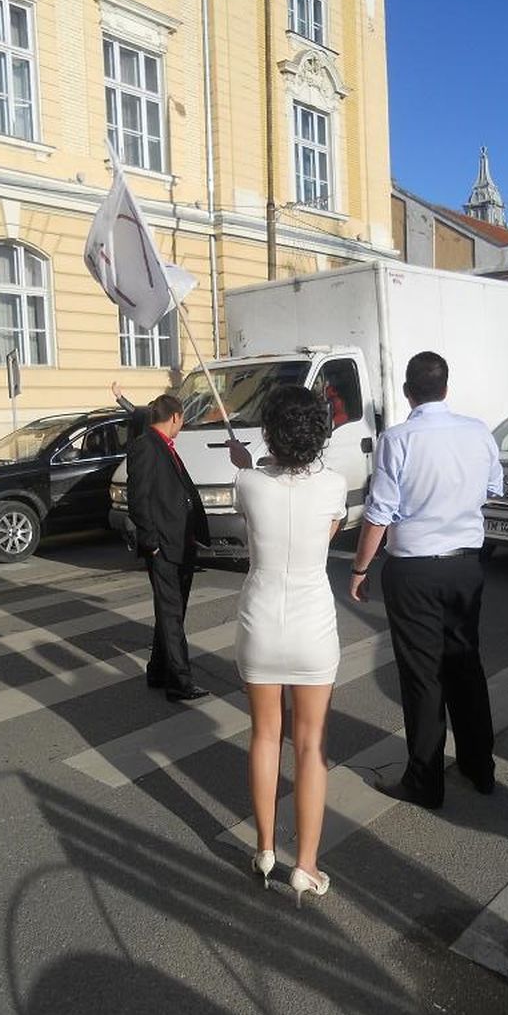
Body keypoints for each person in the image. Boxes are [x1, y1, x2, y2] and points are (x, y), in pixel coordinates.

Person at [348, 351, 503, 809]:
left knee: (423, 676)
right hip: (464, 566)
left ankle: (425, 781)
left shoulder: (398, 439)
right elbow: (493, 489)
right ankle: (479, 767)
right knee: (465, 665)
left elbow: (380, 512)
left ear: (407, 392)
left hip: (414, 569)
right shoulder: (478, 432)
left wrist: (359, 568)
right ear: (446, 388)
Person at [229, 386, 347, 906]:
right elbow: (324, 532)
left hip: (260, 622)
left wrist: (247, 463)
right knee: (310, 745)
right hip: (312, 626)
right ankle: (307, 866)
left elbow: (257, 496)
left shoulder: (247, 482)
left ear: (269, 432)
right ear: (319, 433)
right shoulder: (335, 485)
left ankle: (263, 849)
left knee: (264, 736)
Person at [127, 393, 211, 703]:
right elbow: (138, 498)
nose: (182, 424)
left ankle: (158, 670)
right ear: (175, 417)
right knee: (172, 614)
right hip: (163, 546)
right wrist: (151, 543)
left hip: (180, 543)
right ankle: (179, 682)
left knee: (170, 613)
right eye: (183, 419)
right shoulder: (146, 446)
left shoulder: (164, 445)